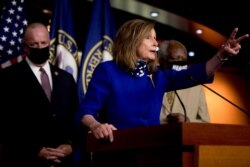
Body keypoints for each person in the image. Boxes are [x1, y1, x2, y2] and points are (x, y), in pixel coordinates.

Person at [77, 19, 248, 143]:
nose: (155, 43)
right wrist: (97, 126)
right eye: (149, 38)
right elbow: (86, 111)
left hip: (153, 151)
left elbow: (200, 72)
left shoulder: (159, 76)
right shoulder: (108, 70)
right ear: (132, 40)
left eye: (155, 38)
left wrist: (221, 56)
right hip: (118, 150)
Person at [0, 22, 79, 167]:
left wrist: (70, 145)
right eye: (34, 44)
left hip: (64, 162)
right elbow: (6, 123)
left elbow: (75, 118)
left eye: (43, 43)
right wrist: (34, 150)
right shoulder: (8, 78)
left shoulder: (65, 79)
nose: (40, 47)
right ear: (25, 47)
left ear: (49, 43)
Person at [158, 40, 210, 123]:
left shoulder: (195, 86)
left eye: (183, 59)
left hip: (185, 134)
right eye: (176, 58)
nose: (180, 62)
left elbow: (205, 122)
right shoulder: (151, 81)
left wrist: (187, 121)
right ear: (161, 60)